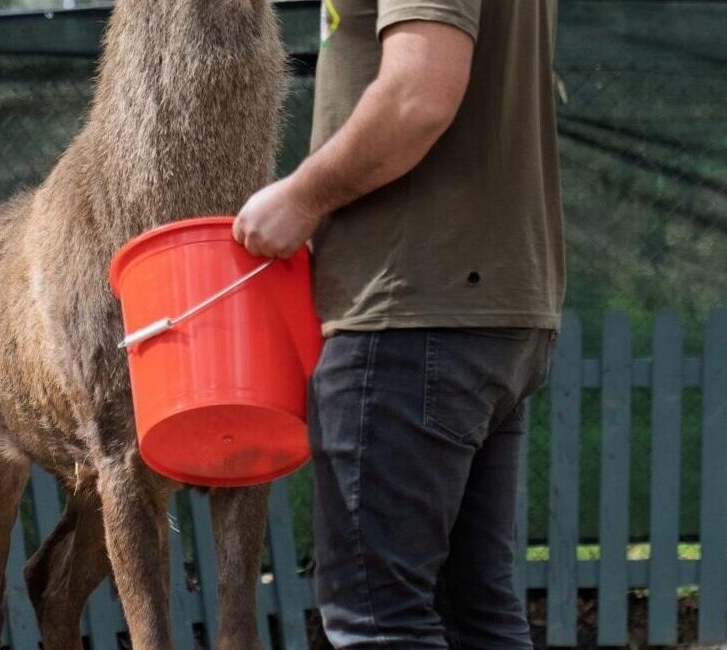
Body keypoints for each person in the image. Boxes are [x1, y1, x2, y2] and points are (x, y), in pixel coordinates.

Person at [232, 1, 565, 648]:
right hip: (486, 301)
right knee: (475, 618)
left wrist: (300, 198)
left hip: (410, 304)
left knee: (380, 621)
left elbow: (418, 95)